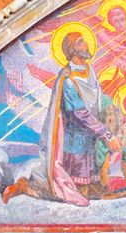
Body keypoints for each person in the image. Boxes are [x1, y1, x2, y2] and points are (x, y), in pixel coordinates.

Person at [41, 32, 115, 203]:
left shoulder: (90, 72)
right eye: (81, 42)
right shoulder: (68, 80)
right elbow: (79, 113)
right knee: (81, 191)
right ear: (72, 49)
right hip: (75, 144)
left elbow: (97, 102)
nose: (86, 45)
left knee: (96, 190)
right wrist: (107, 134)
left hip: (92, 141)